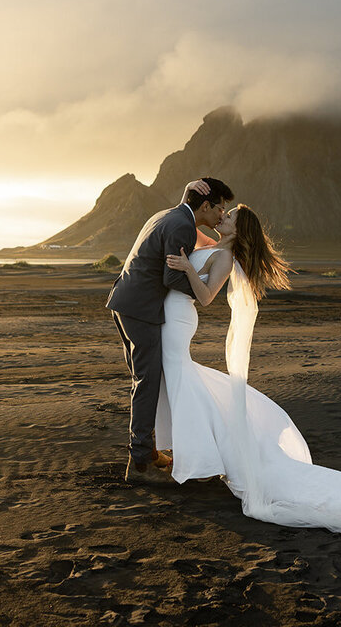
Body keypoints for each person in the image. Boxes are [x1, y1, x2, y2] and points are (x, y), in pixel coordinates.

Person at [159, 204, 341, 534]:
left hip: (184, 319)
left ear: (238, 230)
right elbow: (185, 223)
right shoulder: (213, 245)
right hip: (174, 324)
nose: (222, 218)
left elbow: (205, 296)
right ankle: (194, 459)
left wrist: (187, 268)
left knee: (209, 403)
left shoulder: (225, 258)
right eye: (222, 212)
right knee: (203, 394)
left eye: (228, 217)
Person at [106, 177, 234, 484]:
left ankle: (147, 452)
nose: (221, 215)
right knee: (147, 381)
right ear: (206, 205)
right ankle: (140, 463)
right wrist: (199, 288)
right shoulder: (183, 227)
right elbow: (170, 279)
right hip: (143, 310)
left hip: (127, 303)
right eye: (221, 208)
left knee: (145, 380)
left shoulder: (168, 215)